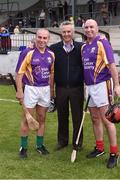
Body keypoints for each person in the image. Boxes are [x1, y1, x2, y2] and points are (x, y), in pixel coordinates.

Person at [82, 19, 120, 168]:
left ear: (97, 28)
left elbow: (111, 64)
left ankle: (114, 153)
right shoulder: (84, 47)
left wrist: (117, 85)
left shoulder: (102, 42)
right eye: (86, 27)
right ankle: (99, 148)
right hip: (90, 86)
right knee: (94, 118)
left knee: (107, 120)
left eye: (92, 27)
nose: (89, 29)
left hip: (102, 85)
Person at [15, 29, 55, 158]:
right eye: (40, 37)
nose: (42, 40)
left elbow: (52, 74)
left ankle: (39, 146)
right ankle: (23, 148)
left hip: (45, 90)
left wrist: (51, 91)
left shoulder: (51, 54)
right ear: (36, 37)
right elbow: (19, 73)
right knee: (26, 119)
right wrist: (20, 91)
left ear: (48, 39)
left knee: (42, 118)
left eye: (45, 38)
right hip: (31, 89)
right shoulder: (28, 52)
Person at [50, 21, 84, 150]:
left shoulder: (81, 47)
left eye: (69, 31)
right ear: (61, 33)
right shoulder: (54, 48)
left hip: (77, 88)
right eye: (64, 31)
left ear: (73, 32)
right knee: (62, 116)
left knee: (78, 117)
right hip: (61, 88)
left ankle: (77, 143)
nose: (66, 34)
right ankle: (62, 141)